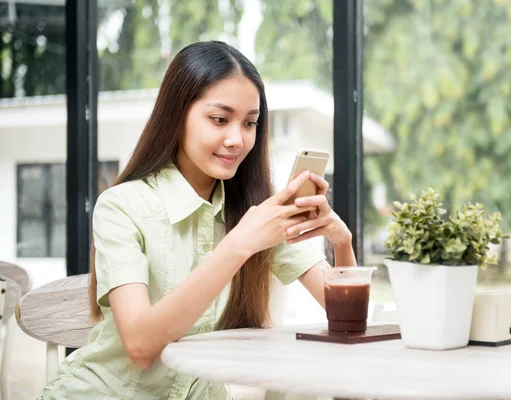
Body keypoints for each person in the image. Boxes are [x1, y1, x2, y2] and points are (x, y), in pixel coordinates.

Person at [39, 41, 356, 400]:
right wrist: (239, 244)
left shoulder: (252, 211)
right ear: (177, 115)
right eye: (219, 119)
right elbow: (141, 346)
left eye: (250, 123)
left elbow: (345, 317)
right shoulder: (120, 207)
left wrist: (341, 242)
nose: (236, 139)